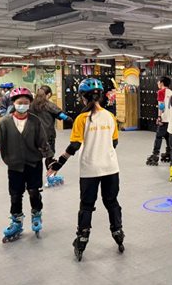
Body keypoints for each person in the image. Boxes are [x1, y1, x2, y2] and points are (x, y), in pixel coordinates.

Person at [46, 78, 124, 261]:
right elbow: (114, 142)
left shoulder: (81, 119)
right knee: (112, 202)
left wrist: (58, 164)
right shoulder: (110, 116)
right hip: (111, 168)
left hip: (90, 170)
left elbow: (74, 145)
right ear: (101, 96)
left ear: (83, 97)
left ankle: (82, 238)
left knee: (87, 205)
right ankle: (118, 233)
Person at [0, 87, 52, 242]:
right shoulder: (5, 122)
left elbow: (43, 143)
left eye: (26, 102)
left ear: (30, 104)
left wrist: (50, 160)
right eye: (20, 102)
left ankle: (36, 215)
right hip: (14, 165)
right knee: (15, 195)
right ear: (13, 103)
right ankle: (16, 221)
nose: (23, 105)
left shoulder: (35, 121)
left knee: (34, 191)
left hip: (33, 164)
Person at [30, 85, 73, 186]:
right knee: (49, 157)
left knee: (35, 158)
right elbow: (62, 116)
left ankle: (32, 180)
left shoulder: (31, 105)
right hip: (47, 136)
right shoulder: (49, 105)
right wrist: (71, 120)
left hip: (33, 136)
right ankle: (51, 178)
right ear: (48, 94)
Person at [146, 76, 172, 166]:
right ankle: (169, 153)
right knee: (168, 137)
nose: (157, 83)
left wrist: (159, 117)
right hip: (171, 119)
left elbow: (161, 106)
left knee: (159, 137)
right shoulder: (171, 92)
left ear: (161, 83)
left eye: (158, 82)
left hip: (164, 118)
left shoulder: (161, 92)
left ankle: (155, 155)